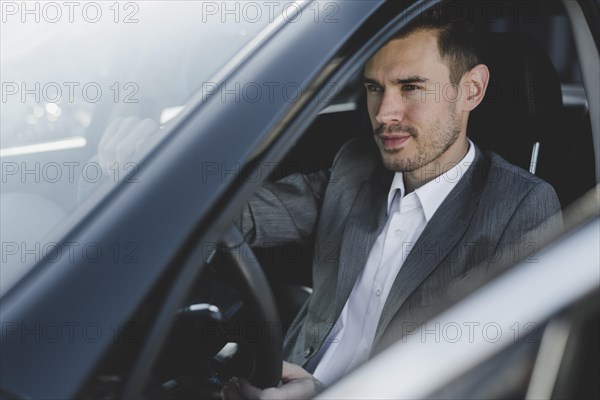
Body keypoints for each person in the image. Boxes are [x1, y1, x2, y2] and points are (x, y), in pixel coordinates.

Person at [221, 6, 562, 400]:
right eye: (374, 88)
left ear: (471, 90)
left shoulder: (519, 206)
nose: (384, 114)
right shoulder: (356, 166)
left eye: (411, 87)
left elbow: (503, 382)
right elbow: (242, 217)